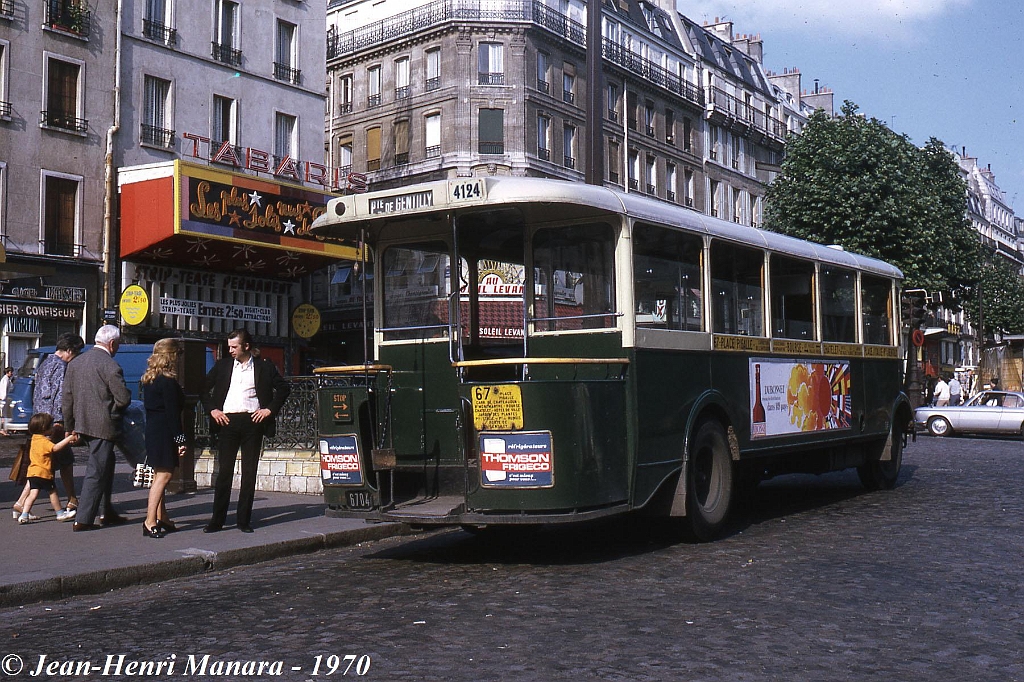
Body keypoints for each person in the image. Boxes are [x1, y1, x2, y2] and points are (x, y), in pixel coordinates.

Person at [201, 329, 290, 533]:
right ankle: (217, 520)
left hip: (252, 421)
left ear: (246, 347)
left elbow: (284, 388)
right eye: (229, 346)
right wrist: (213, 410)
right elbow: (203, 389)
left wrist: (269, 409)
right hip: (227, 421)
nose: (230, 350)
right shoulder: (222, 366)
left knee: (249, 472)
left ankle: (244, 520)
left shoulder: (264, 367)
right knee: (224, 472)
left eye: (234, 347)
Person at [62, 325, 132, 532]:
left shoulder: (76, 363)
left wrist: (69, 426)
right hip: (103, 424)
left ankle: (106, 511)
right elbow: (124, 398)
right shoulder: (110, 365)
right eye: (117, 345)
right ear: (112, 344)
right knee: (96, 470)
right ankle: (83, 519)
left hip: (82, 422)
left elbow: (67, 398)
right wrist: (113, 409)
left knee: (106, 466)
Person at [31, 333, 85, 512]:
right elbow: (61, 397)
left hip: (40, 421)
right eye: (76, 352)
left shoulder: (45, 363)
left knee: (41, 463)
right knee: (64, 461)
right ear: (69, 351)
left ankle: (24, 503)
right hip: (54, 422)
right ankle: (71, 499)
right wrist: (63, 423)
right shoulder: (62, 367)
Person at [140, 339, 188, 538]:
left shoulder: (149, 379)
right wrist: (180, 439)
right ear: (171, 356)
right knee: (165, 476)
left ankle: (162, 516)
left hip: (153, 430)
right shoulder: (168, 382)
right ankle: (149, 520)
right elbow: (172, 414)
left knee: (159, 475)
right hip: (165, 432)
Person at [17, 413, 78, 524]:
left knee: (32, 495)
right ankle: (60, 513)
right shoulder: (44, 442)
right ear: (44, 429)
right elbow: (55, 448)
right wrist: (69, 438)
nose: (52, 429)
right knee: (53, 493)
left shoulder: (34, 439)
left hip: (32, 473)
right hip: (44, 473)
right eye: (51, 426)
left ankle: (24, 514)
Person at [0, 366, 14, 436]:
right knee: (3, 414)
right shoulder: (5, 379)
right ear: (8, 372)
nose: (12, 373)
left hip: (5, 398)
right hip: (3, 399)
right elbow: (3, 390)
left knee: (5, 414)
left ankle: (4, 429)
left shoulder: (8, 379)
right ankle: (2, 429)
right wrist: (3, 398)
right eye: (11, 372)